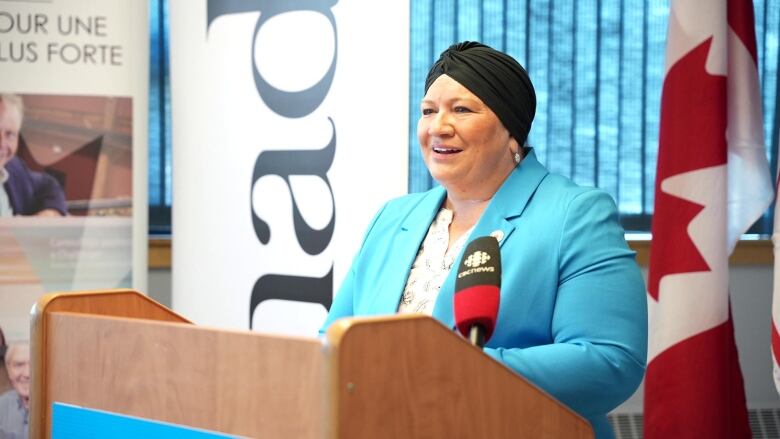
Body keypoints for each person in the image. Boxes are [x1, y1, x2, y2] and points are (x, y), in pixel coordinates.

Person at [320, 41, 647, 438]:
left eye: (461, 109)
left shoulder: (575, 214)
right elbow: (334, 343)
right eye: (428, 111)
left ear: (511, 128)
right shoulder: (393, 217)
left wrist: (449, 371)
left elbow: (608, 362)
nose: (438, 126)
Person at [0, 94, 67, 217]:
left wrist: (49, 213)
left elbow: (48, 184)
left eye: (9, 134)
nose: (2, 143)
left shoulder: (14, 167)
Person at [0, 341, 30, 439]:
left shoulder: (61, 412)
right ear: (8, 369)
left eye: (35, 364)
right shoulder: (2, 405)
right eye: (19, 365)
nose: (27, 374)